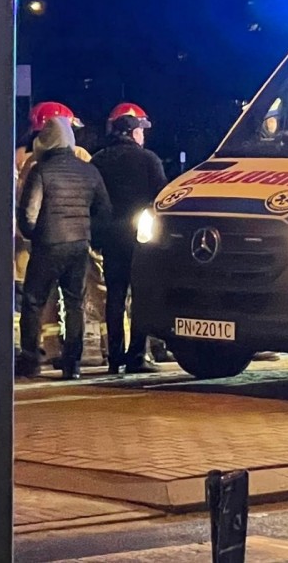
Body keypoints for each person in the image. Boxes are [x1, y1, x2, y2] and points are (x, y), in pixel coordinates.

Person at [17, 117, 111, 380]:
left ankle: (30, 360)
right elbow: (104, 211)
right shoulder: (88, 171)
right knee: (74, 304)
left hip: (47, 245)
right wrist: (86, 232)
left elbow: (27, 216)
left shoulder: (40, 170)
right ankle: (73, 364)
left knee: (34, 301)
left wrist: (35, 236)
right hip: (79, 245)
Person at [92, 104, 168, 375]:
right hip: (140, 236)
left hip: (110, 237)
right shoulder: (148, 159)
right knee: (140, 296)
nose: (143, 135)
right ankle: (137, 355)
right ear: (132, 133)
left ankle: (114, 356)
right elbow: (162, 198)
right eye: (140, 130)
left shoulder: (98, 160)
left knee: (114, 295)